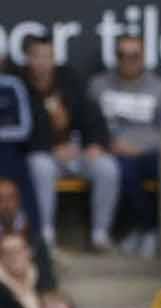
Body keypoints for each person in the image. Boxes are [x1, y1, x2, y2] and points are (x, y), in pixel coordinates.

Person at [20, 35, 116, 251]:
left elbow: (92, 114)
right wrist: (50, 148)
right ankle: (45, 234)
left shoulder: (69, 78)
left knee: (106, 167)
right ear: (28, 58)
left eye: (48, 56)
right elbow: (22, 131)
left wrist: (94, 144)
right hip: (43, 154)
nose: (43, 62)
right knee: (40, 166)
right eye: (38, 56)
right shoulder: (20, 84)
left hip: (77, 152)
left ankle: (100, 234)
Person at [87, 34, 161, 258]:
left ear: (143, 56)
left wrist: (140, 147)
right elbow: (88, 123)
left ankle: (147, 230)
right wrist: (107, 143)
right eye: (122, 55)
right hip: (112, 151)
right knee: (121, 169)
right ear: (115, 56)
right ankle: (148, 229)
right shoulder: (98, 85)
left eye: (134, 55)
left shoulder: (160, 88)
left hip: (149, 152)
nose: (128, 60)